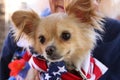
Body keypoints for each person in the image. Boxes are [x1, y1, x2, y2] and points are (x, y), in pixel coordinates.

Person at [0, 0, 120, 80]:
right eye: (42, 39)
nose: (49, 48)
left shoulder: (116, 35)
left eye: (65, 36)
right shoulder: (23, 33)